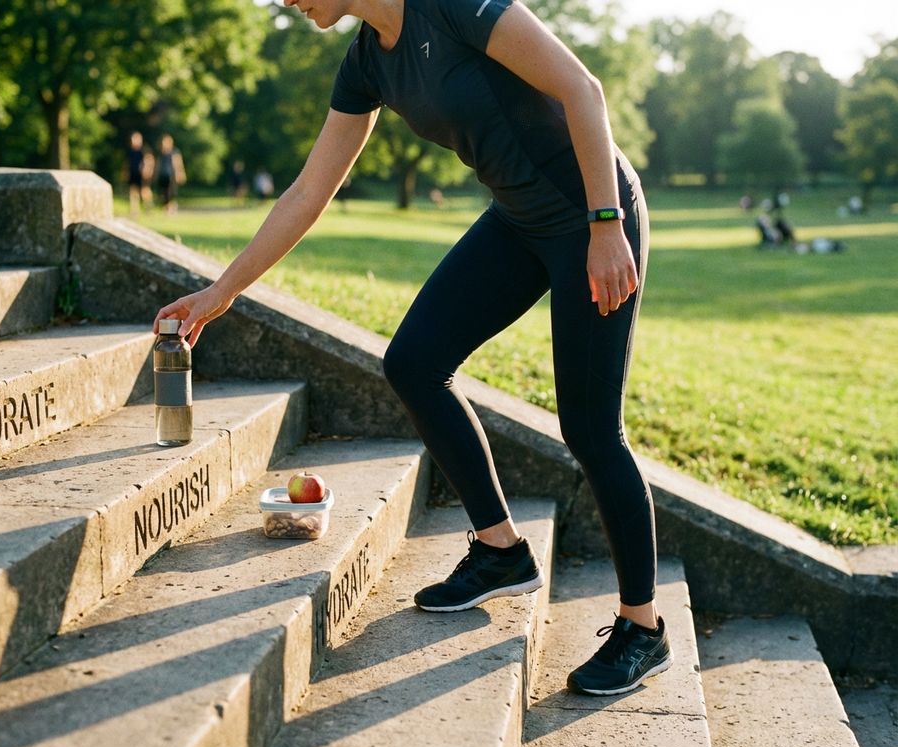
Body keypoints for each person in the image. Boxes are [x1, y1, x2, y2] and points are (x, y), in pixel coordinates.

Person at [153, 0, 670, 697]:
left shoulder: (455, 6)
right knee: (414, 362)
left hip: (593, 215)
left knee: (590, 428)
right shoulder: (366, 62)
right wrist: (223, 291)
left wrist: (606, 224)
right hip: (517, 220)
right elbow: (308, 193)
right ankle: (498, 551)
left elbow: (582, 89)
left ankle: (644, 627)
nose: (285, 2)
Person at [156, 134, 187, 213]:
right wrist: (155, 174)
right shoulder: (161, 153)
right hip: (163, 175)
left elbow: (178, 164)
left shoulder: (174, 152)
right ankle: (166, 208)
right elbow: (158, 164)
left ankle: (172, 208)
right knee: (163, 193)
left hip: (171, 175)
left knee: (171, 193)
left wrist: (180, 173)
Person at [125, 131, 154, 215]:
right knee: (133, 191)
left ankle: (148, 208)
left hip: (142, 175)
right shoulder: (130, 151)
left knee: (145, 191)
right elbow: (127, 163)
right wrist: (126, 172)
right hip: (133, 173)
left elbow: (150, 160)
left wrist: (147, 171)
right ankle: (134, 210)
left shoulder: (144, 150)